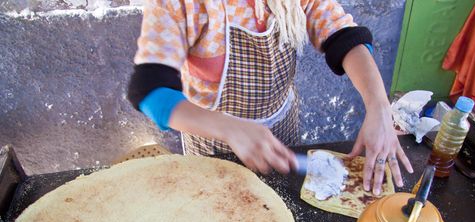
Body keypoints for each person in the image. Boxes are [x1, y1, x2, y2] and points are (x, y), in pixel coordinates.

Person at [128, 0, 413, 195]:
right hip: (215, 144)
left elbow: (343, 35)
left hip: (282, 130)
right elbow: (150, 90)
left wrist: (379, 106)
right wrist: (230, 128)